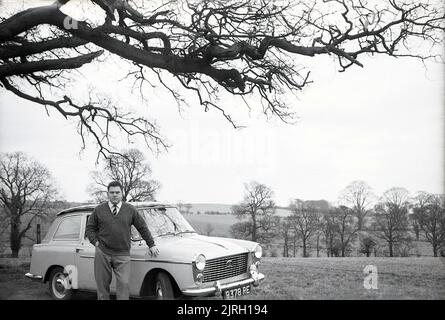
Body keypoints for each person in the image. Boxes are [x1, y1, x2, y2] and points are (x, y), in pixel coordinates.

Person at [85, 180, 159, 300]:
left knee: (124, 285)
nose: (114, 195)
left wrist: (151, 244)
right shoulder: (99, 210)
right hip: (103, 252)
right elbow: (90, 228)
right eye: (112, 192)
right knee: (102, 286)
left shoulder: (130, 210)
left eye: (117, 192)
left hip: (123, 254)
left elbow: (142, 227)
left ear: (122, 193)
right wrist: (96, 242)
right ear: (108, 193)